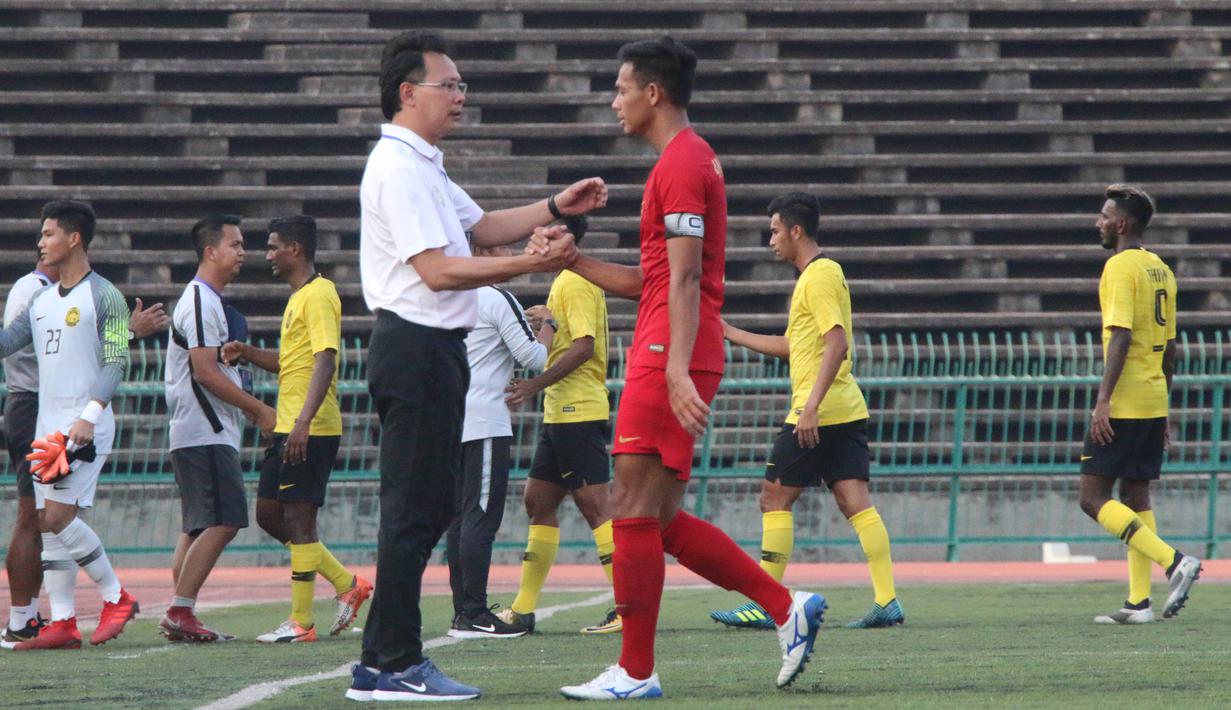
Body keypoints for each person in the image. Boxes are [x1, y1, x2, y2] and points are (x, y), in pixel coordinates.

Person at [548, 38, 825, 700]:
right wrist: (572, 261)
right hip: (670, 341)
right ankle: (787, 609)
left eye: (619, 89)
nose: (613, 101)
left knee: (629, 508)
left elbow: (685, 276)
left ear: (652, 94)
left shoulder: (680, 163)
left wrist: (671, 366)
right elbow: (655, 279)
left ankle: (636, 672)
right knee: (659, 519)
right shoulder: (686, 159)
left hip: (668, 348)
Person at [347, 29, 605, 703]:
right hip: (416, 346)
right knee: (416, 510)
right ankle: (394, 663)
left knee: (423, 508)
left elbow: (483, 225)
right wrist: (532, 262)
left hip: (434, 351)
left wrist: (553, 210)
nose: (460, 97)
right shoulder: (399, 168)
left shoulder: (421, 164)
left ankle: (382, 661)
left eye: (461, 85)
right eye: (449, 85)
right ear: (409, 93)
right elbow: (437, 271)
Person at [711, 193, 902, 631]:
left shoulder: (816, 278)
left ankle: (767, 603)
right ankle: (887, 600)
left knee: (773, 498)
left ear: (796, 231)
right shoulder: (820, 275)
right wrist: (730, 333)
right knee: (855, 502)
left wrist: (811, 406)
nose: (771, 240)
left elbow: (836, 341)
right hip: (845, 406)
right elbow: (797, 346)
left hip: (818, 408)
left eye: (775, 230)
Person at [219, 215, 372, 643]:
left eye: (272, 247)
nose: (266, 255)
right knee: (270, 515)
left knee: (301, 522)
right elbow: (294, 363)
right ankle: (347, 583)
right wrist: (247, 352)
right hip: (288, 425)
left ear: (296, 250)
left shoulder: (320, 295)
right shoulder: (299, 298)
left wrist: (303, 422)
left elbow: (325, 358)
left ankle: (301, 622)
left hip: (310, 427)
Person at [3, 256, 166, 643]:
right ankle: (63, 621)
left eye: (48, 233)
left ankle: (116, 596)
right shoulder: (40, 300)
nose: (41, 242)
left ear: (72, 239)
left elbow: (115, 359)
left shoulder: (103, 294)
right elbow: (7, 342)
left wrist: (90, 415)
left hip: (82, 426)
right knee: (47, 519)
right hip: (46, 423)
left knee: (57, 517)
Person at [1079, 184, 1201, 623]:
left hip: (1127, 399)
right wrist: (1165, 408)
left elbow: (1122, 334)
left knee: (1092, 497)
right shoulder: (1160, 269)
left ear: (1123, 224)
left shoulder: (1120, 267)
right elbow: (1170, 347)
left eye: (1105, 215)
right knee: (1135, 494)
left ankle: (1174, 562)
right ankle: (1138, 603)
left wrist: (1103, 401)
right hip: (1152, 397)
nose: (1099, 222)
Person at [499, 214, 620, 636]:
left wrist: (534, 383)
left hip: (577, 412)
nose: (539, 240)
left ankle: (627, 607)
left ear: (566, 239)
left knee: (596, 509)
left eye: (547, 234)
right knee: (538, 502)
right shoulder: (567, 281)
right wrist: (549, 321)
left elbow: (584, 347)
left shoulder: (574, 280)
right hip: (560, 411)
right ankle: (523, 609)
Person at [159, 213, 276, 643]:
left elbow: (214, 369)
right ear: (210, 251)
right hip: (202, 429)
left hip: (200, 430)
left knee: (197, 526)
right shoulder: (200, 300)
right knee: (225, 520)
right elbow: (205, 372)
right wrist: (259, 410)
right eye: (235, 244)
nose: (243, 252)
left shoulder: (206, 302)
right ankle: (179, 610)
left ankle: (181, 612)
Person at [445, 243, 553, 639]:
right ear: (484, 251)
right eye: (504, 247)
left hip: (451, 420)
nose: (512, 253)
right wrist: (549, 323)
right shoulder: (496, 297)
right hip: (485, 421)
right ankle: (473, 611)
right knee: (481, 517)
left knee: (460, 518)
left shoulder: (449, 294)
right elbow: (534, 357)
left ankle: (463, 609)